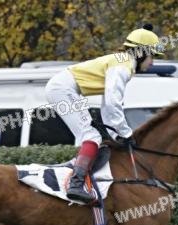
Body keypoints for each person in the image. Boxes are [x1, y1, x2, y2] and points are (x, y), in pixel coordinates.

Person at [45, 24, 164, 204]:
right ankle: (75, 184)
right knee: (91, 136)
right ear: (141, 53)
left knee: (96, 136)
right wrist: (126, 133)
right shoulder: (124, 65)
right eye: (152, 56)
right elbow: (112, 102)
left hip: (65, 89)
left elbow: (108, 105)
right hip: (63, 89)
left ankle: (83, 180)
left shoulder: (122, 62)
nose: (152, 62)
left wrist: (115, 134)